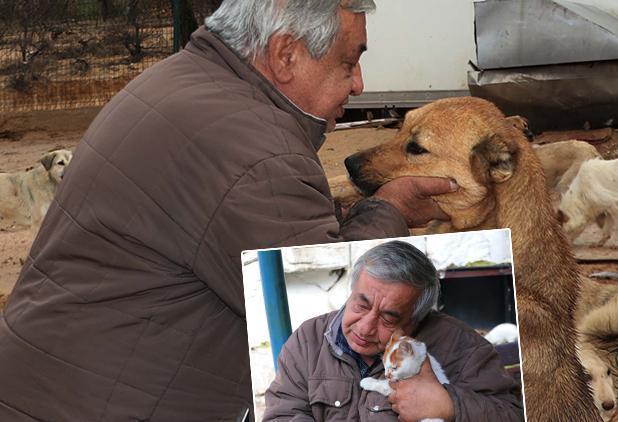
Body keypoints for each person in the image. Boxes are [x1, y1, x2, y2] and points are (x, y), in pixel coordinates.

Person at [0, 1, 456, 421]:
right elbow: (326, 319)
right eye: (348, 62)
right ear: (285, 55)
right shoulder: (255, 153)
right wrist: (390, 208)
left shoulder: (183, 82)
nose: (359, 84)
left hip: (52, 387)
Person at [264, 241, 524, 421]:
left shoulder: (464, 347)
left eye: (388, 319)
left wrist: (450, 405)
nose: (365, 328)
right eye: (360, 305)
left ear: (417, 318)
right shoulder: (308, 339)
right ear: (351, 291)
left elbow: (513, 414)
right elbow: (282, 412)